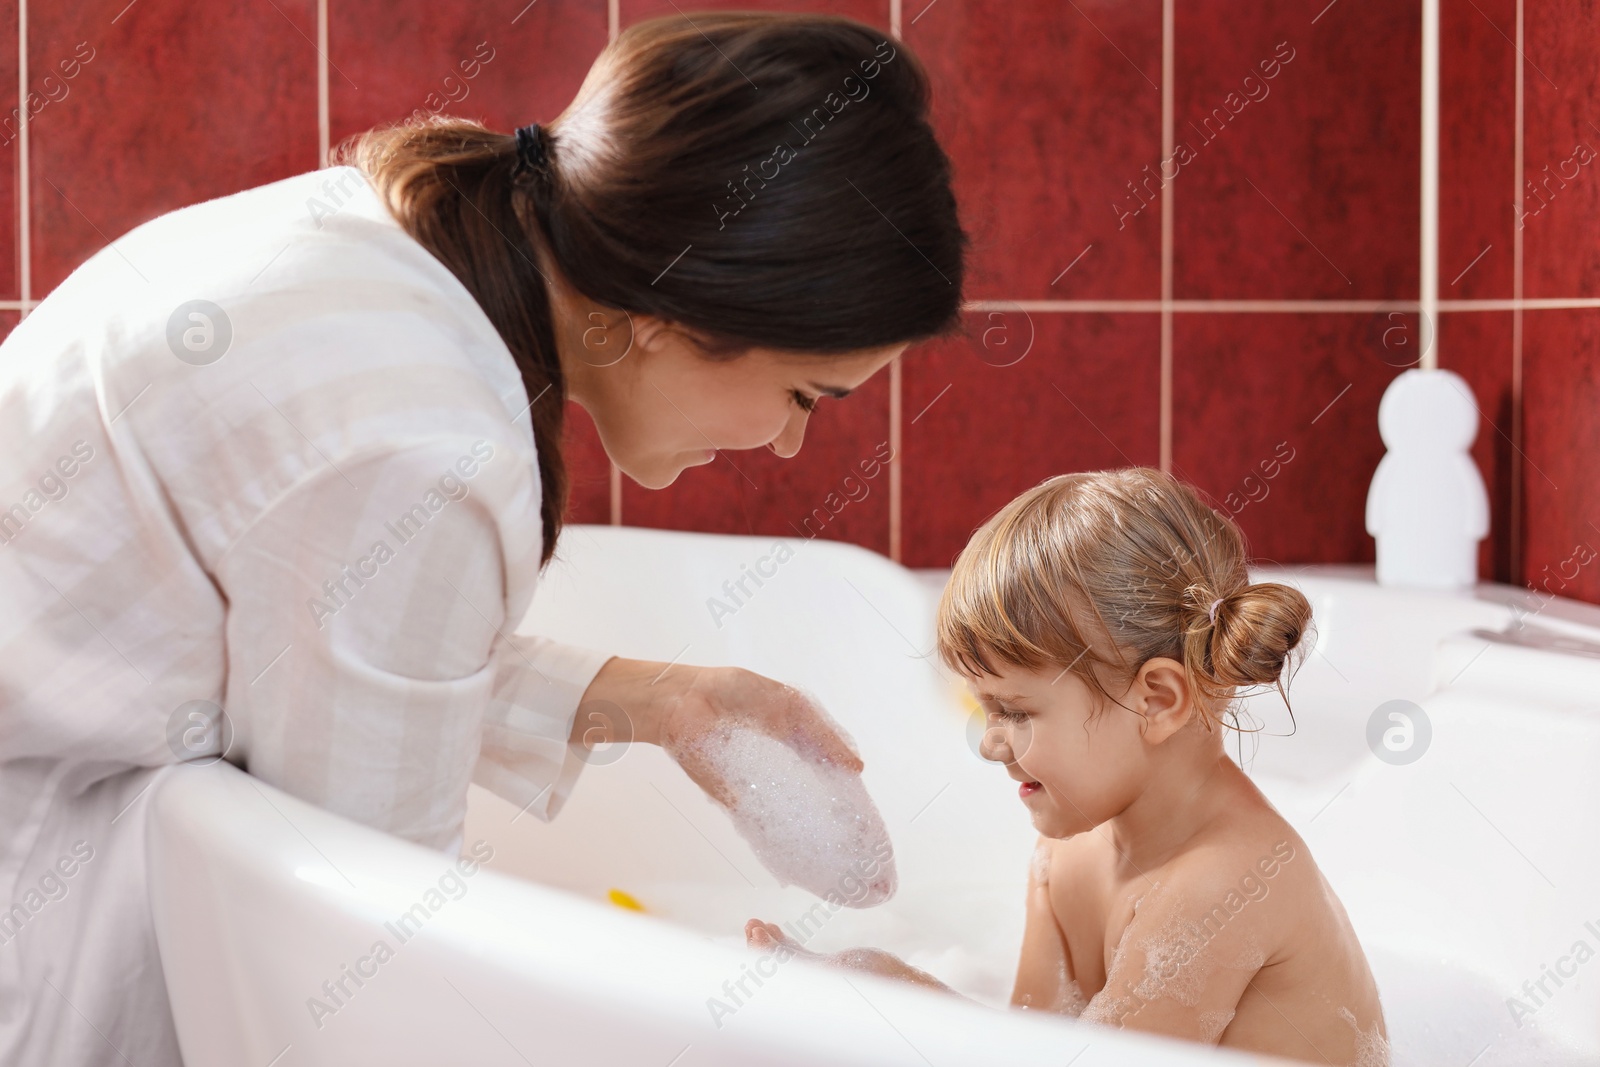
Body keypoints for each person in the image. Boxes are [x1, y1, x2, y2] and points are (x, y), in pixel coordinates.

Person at [0, 12, 966, 1065]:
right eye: (803, 395)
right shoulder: (434, 440)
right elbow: (360, 963)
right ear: (671, 312)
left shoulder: (396, 237)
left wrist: (656, 701)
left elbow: (312, 650)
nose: (785, 444)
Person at [747, 468, 1391, 1065]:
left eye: (1015, 712)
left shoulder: (1225, 883)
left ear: (1158, 701)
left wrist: (888, 994)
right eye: (986, 710)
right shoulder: (1067, 857)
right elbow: (1032, 1044)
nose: (991, 744)